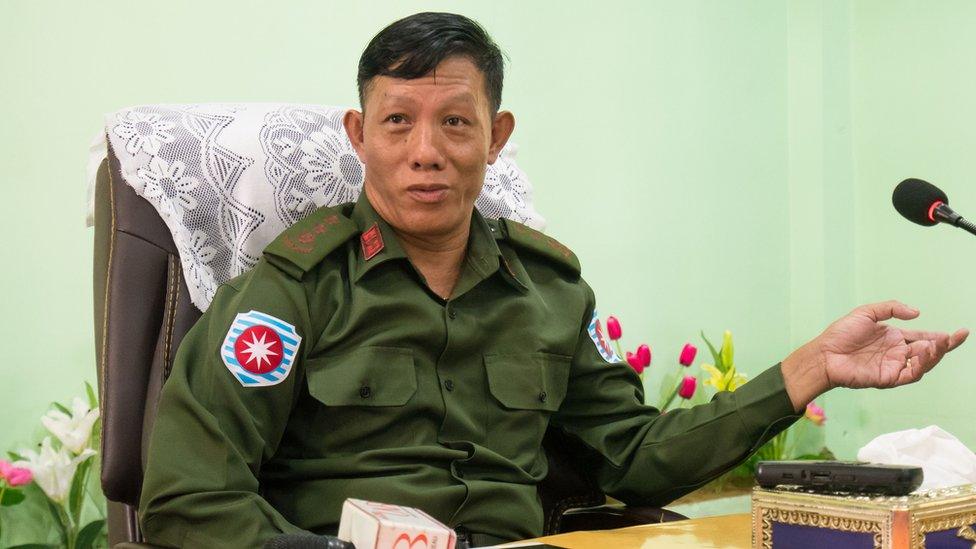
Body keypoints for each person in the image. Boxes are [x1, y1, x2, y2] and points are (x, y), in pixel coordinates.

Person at [138, 12, 969, 549]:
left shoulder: (550, 292)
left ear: (496, 136)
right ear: (361, 133)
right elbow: (188, 496)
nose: (426, 150)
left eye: (455, 122)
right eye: (398, 121)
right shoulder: (293, 290)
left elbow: (634, 460)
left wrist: (811, 367)